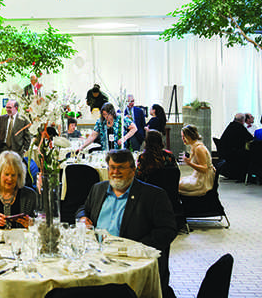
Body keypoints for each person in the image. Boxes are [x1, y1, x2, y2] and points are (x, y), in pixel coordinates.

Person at [76, 149, 177, 298]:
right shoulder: (98, 189)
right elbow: (84, 208)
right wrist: (83, 217)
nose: (115, 172)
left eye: (121, 167)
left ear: (133, 170)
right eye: (112, 167)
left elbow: (167, 230)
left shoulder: (153, 195)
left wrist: (134, 249)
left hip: (130, 262)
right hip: (96, 258)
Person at [178, 125, 215, 196]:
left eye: (183, 137)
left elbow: (204, 169)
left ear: (189, 136)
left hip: (203, 180)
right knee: (178, 181)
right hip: (198, 176)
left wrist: (189, 163)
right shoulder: (194, 146)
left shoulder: (199, 149)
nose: (182, 139)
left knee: (176, 185)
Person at [218, 113, 253, 182]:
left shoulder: (230, 126)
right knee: (250, 154)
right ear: (243, 120)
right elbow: (250, 138)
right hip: (234, 153)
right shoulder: (240, 127)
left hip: (225, 152)